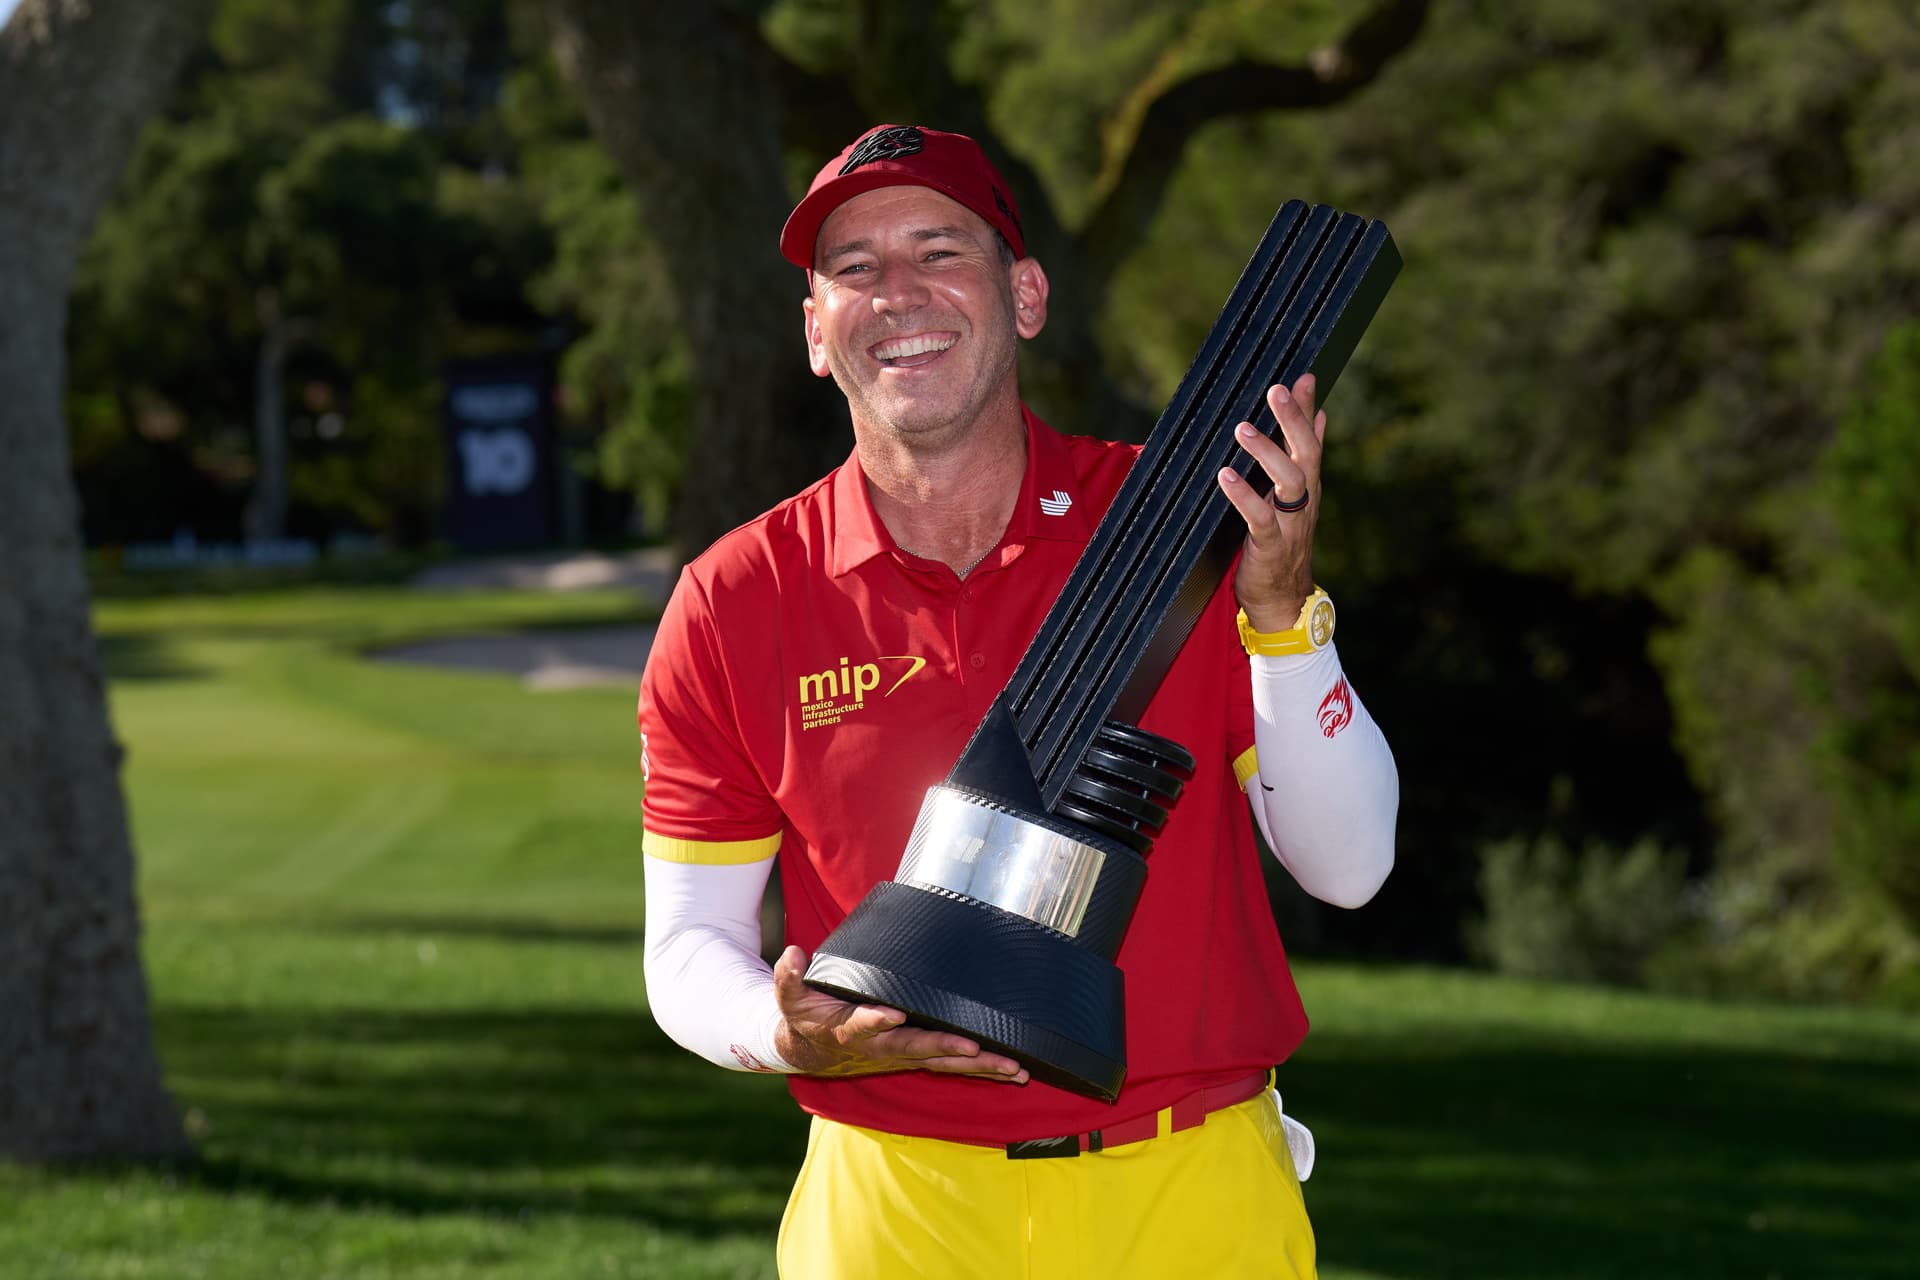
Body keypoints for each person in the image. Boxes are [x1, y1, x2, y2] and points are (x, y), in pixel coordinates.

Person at [637, 123, 1398, 1279]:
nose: (898, 292)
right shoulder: (737, 597)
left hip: (1190, 1190)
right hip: (889, 1204)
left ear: (1026, 295)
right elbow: (689, 942)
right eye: (853, 267)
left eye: (941, 249)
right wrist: (774, 1028)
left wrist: (1285, 610)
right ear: (812, 331)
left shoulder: (1184, 529)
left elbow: (1351, 865)